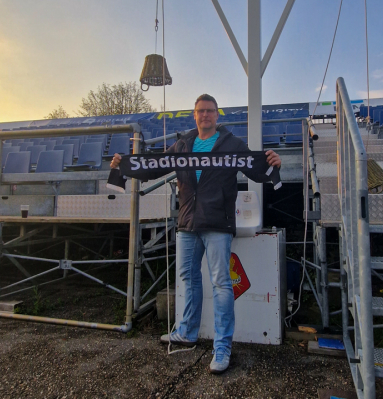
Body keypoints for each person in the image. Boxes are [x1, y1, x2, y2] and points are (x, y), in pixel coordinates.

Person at [110, 93, 281, 374]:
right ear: (194, 115)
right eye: (200, 111)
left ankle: (222, 346)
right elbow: (154, 168)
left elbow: (256, 171)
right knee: (188, 278)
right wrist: (124, 164)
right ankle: (187, 332)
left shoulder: (232, 144)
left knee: (221, 283)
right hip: (187, 222)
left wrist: (273, 162)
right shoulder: (183, 144)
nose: (205, 115)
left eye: (210, 111)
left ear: (217, 115)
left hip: (217, 223)